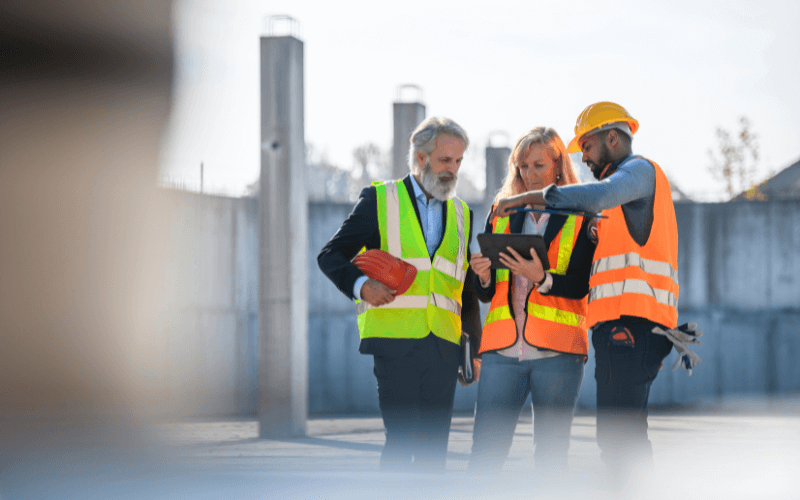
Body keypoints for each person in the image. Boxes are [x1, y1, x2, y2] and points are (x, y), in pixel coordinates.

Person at [492, 102, 680, 483]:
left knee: (618, 441)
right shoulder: (618, 200)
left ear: (612, 137)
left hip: (633, 326)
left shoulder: (639, 171)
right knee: (623, 438)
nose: (586, 159)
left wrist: (521, 199)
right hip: (620, 330)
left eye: (589, 148)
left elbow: (595, 195)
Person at [317, 117, 482, 472]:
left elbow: (463, 288)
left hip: (443, 345)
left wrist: (474, 350)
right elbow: (330, 255)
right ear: (421, 158)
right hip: (395, 343)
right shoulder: (381, 199)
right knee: (402, 442)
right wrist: (362, 286)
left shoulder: (462, 213)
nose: (453, 170)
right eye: (445, 161)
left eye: (458, 161)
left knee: (434, 451)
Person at [468, 127, 596, 474]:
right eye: (522, 166)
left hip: (558, 354)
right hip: (502, 353)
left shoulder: (581, 212)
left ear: (558, 166)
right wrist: (482, 275)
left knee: (551, 458)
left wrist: (542, 277)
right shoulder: (502, 211)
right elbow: (485, 293)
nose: (529, 174)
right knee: (484, 455)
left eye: (538, 165)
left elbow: (583, 284)